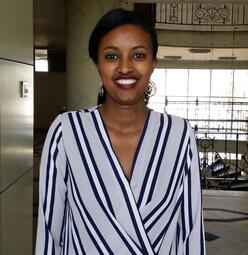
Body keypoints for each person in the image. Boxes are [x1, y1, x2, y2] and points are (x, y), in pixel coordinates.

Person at [35, 8, 205, 255]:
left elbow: (190, 231)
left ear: (153, 63)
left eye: (138, 55)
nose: (125, 68)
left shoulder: (179, 134)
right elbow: (50, 232)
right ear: (97, 64)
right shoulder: (66, 132)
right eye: (112, 56)